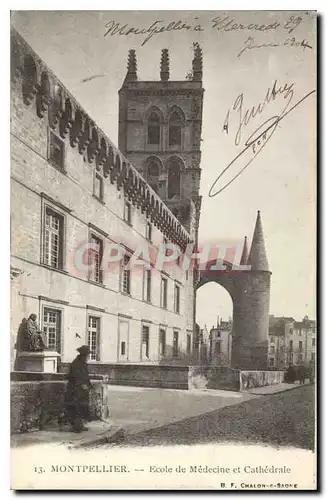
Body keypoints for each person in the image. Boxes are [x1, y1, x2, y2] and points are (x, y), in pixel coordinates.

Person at [62, 345, 93, 433]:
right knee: (75, 408)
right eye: (87, 355)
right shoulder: (76, 363)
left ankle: (80, 425)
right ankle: (76, 427)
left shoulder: (83, 363)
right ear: (83, 355)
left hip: (81, 390)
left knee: (82, 408)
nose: (88, 357)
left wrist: (88, 385)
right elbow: (75, 377)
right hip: (75, 390)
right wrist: (82, 384)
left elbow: (85, 377)